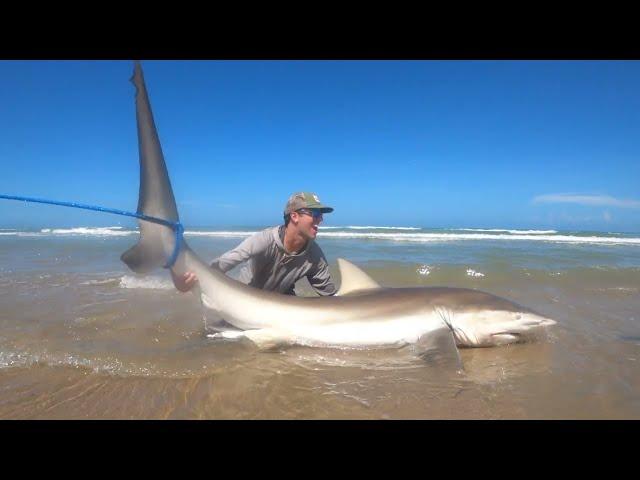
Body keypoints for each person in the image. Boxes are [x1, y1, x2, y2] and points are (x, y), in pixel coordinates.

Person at [172, 191, 337, 296]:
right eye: (315, 213)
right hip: (247, 298)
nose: (321, 219)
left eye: (321, 215)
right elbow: (226, 261)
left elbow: (329, 295)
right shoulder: (264, 240)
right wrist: (194, 279)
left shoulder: (315, 256)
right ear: (294, 216)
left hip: (281, 303)